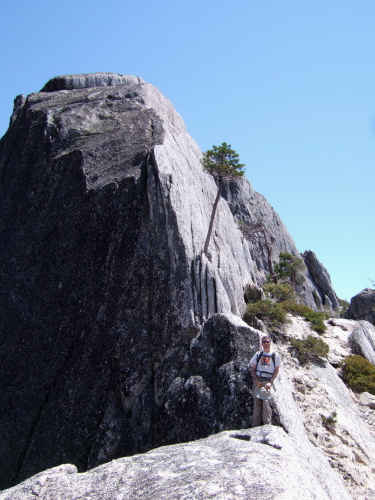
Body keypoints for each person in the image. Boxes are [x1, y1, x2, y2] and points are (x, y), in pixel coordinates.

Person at [250, 335, 281, 427]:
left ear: (270, 343)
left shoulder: (275, 355)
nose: (266, 344)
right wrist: (256, 380)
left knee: (266, 404)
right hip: (258, 380)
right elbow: (253, 369)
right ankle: (255, 426)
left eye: (267, 342)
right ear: (262, 344)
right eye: (264, 342)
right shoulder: (258, 355)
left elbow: (276, 370)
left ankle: (267, 425)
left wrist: (270, 382)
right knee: (257, 404)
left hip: (268, 380)